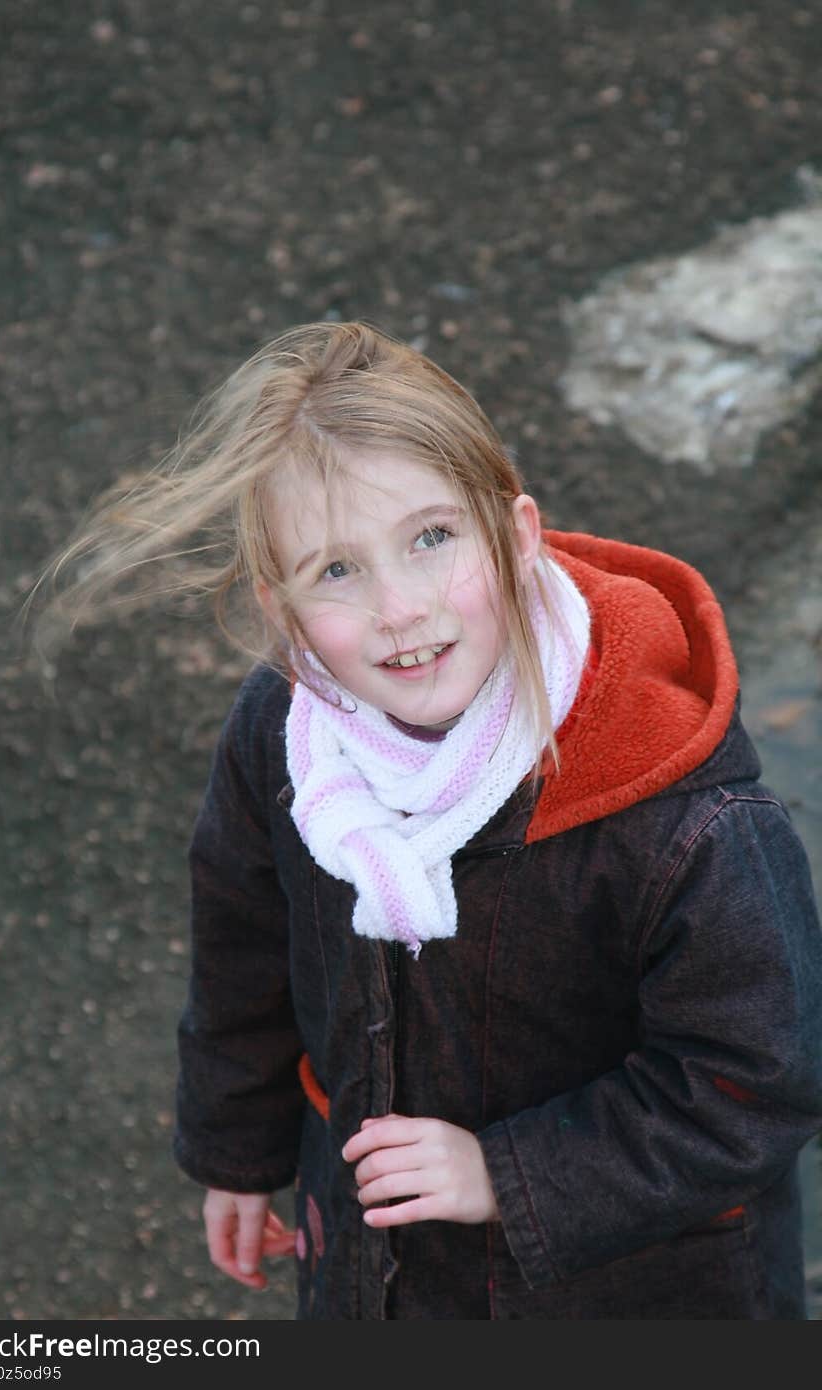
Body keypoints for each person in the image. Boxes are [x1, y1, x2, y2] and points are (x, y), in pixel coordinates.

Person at [40, 320, 822, 1319]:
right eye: (335, 570)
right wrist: (237, 1148)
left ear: (518, 533)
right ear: (281, 608)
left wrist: (509, 1172)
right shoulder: (284, 730)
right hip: (378, 1270)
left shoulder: (683, 819)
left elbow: (759, 1077)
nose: (399, 607)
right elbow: (242, 943)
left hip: (632, 1292)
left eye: (431, 538)